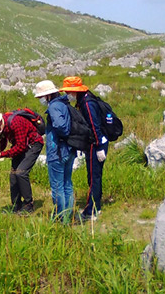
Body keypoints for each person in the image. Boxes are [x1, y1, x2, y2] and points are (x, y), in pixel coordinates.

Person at [60, 76, 108, 221]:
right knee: (94, 176)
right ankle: (96, 206)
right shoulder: (86, 99)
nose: (67, 94)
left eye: (69, 91)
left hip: (96, 143)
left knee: (94, 177)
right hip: (95, 142)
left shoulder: (87, 103)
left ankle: (91, 212)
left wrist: (99, 146)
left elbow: (94, 126)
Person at [0, 111, 44, 214]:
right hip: (21, 145)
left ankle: (28, 205)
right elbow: (3, 141)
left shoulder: (15, 123)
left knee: (21, 173)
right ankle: (16, 206)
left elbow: (21, 147)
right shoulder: (3, 126)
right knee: (13, 175)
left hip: (34, 144)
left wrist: (2, 154)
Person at [34, 80, 77, 223]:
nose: (40, 99)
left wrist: (60, 138)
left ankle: (60, 218)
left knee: (58, 187)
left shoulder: (53, 107)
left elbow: (60, 126)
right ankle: (68, 215)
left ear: (47, 95)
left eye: (41, 97)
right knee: (67, 184)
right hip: (69, 150)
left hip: (57, 151)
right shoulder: (64, 103)